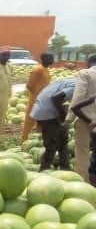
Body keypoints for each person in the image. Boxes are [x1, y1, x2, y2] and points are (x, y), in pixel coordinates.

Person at [31, 78, 76, 171]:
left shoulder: (70, 80)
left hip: (43, 109)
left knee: (63, 141)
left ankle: (65, 168)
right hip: (48, 113)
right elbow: (56, 97)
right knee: (52, 145)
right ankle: (44, 170)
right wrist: (63, 115)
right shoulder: (77, 86)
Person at [69, 54, 96, 183]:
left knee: (82, 152)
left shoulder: (85, 73)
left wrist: (69, 118)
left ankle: (83, 183)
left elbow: (78, 97)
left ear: (88, 62)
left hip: (85, 119)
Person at [21, 53, 54, 141]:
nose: (52, 59)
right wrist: (37, 94)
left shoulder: (46, 69)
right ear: (44, 58)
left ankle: (37, 140)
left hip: (43, 100)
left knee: (40, 121)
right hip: (35, 100)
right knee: (30, 121)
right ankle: (24, 140)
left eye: (52, 58)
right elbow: (29, 85)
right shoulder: (38, 69)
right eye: (50, 57)